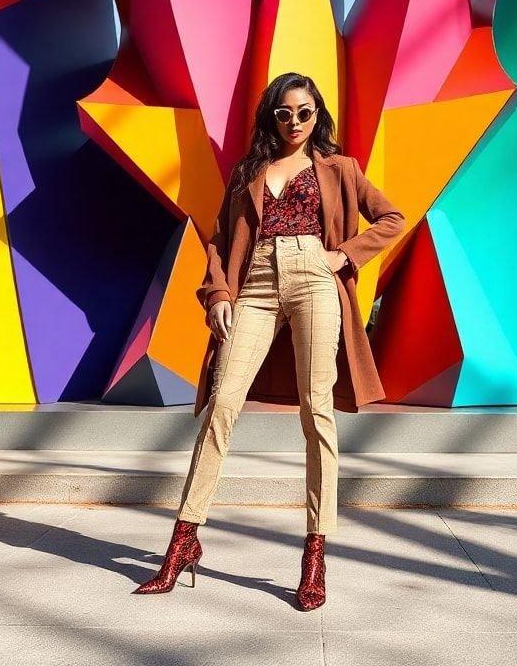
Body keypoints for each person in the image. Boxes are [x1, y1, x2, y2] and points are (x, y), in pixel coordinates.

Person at [133, 71, 405, 610]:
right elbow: (218, 237)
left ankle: (314, 553)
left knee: (316, 412)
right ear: (271, 117)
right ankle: (184, 539)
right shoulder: (249, 171)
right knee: (221, 405)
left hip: (314, 281)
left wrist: (343, 254)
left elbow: (391, 216)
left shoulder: (339, 167)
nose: (296, 122)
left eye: (305, 112)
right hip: (254, 281)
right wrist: (218, 294)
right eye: (285, 113)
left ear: (318, 114)